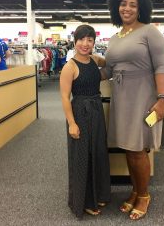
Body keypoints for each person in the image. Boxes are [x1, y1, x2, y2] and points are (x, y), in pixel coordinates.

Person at [105, 0, 164, 221]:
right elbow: (109, 69)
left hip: (143, 96)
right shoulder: (114, 37)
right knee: (128, 148)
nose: (127, 8)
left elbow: (162, 67)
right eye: (123, 3)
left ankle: (144, 195)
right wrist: (80, 67)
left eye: (133, 4)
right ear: (116, 7)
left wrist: (162, 99)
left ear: (140, 9)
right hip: (121, 97)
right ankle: (134, 190)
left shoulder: (149, 31)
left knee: (138, 150)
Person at [60, 24, 110, 219]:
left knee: (97, 151)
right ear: (75, 41)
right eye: (81, 39)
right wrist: (72, 123)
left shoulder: (95, 59)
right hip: (80, 112)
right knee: (82, 156)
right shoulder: (69, 67)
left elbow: (108, 63)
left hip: (96, 110)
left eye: (90, 40)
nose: (85, 44)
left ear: (94, 43)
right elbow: (65, 97)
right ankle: (84, 201)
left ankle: (99, 194)